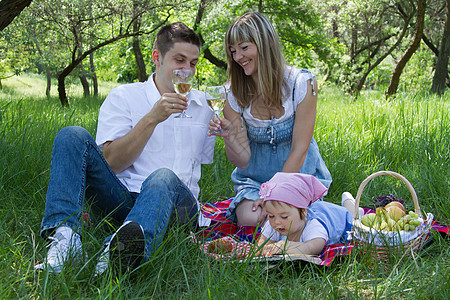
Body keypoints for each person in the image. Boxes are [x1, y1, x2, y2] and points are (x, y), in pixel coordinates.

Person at [34, 22, 215, 274]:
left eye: (193, 63)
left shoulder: (203, 106)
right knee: (71, 136)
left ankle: (115, 253)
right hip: (122, 201)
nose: (187, 70)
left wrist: (231, 132)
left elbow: (207, 165)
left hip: (177, 208)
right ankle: (67, 241)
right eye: (179, 60)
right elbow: (112, 163)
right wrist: (152, 118)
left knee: (162, 177)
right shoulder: (124, 96)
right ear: (157, 57)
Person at [208, 12, 332, 226]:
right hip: (255, 180)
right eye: (233, 51)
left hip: (297, 176)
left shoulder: (301, 83)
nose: (238, 57)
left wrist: (274, 197)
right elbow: (242, 160)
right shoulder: (232, 93)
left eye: (244, 47)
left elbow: (300, 149)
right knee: (250, 218)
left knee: (292, 220)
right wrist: (229, 137)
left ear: (265, 43)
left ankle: (335, 208)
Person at [256, 172, 353, 256]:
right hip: (313, 208)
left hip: (336, 216)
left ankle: (349, 201)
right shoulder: (272, 224)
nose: (276, 221)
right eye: (271, 216)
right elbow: (261, 246)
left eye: (284, 217)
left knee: (353, 217)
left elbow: (312, 248)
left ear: (303, 213)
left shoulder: (314, 226)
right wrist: (264, 249)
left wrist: (284, 246)